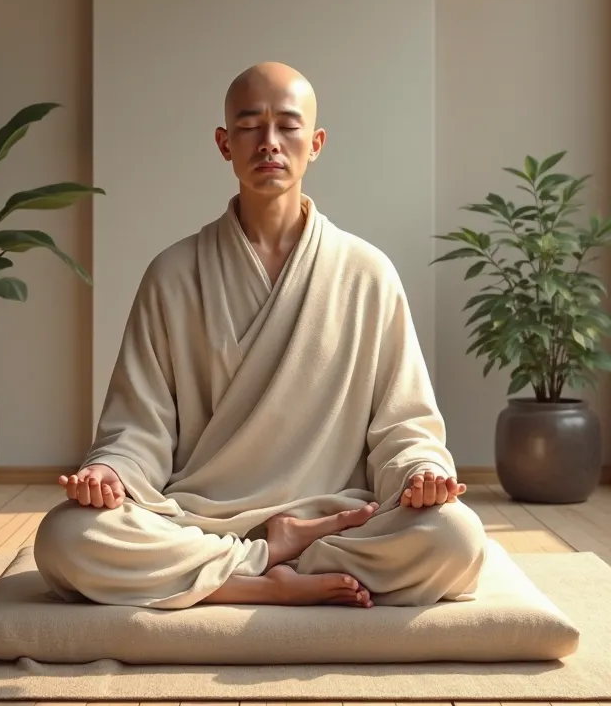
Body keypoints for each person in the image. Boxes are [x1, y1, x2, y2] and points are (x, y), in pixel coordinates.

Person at [34, 62, 487, 611]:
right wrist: (110, 471)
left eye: (288, 126)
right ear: (225, 144)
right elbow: (138, 425)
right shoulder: (173, 273)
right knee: (64, 538)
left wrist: (423, 472)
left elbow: (404, 422)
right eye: (250, 126)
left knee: (456, 537)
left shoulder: (368, 273)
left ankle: (248, 569)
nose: (269, 142)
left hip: (334, 521)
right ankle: (262, 573)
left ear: (315, 143)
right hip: (200, 519)